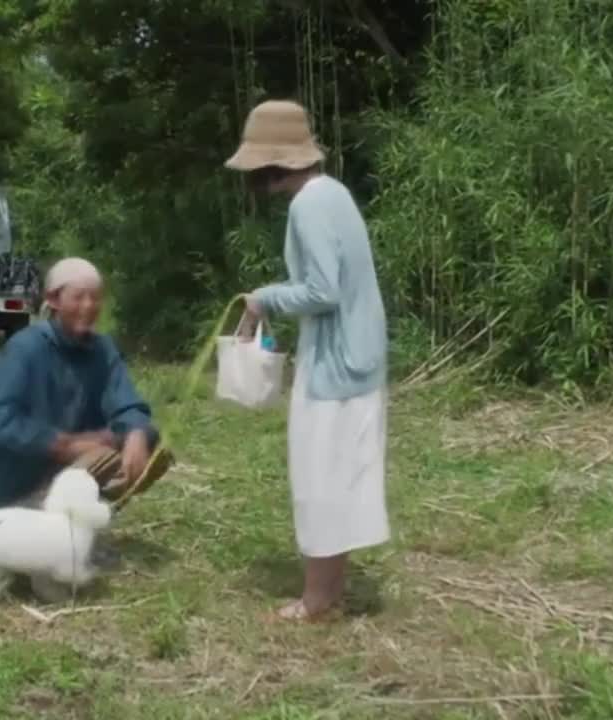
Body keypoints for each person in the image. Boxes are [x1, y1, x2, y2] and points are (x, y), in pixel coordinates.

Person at [225, 99, 391, 622]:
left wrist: (264, 298)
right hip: (358, 358)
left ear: (271, 164)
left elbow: (323, 291)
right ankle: (329, 592)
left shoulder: (308, 206)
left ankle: (317, 600)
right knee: (340, 477)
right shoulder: (334, 193)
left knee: (320, 481)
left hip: (336, 367)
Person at [0, 257, 173, 598]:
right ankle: (41, 546)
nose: (88, 306)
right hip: (12, 489)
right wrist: (66, 445)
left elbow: (129, 405)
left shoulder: (102, 349)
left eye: (95, 298)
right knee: (101, 456)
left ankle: (79, 538)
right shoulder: (25, 349)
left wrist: (136, 434)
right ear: (53, 300)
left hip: (68, 475)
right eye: (78, 297)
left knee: (148, 446)